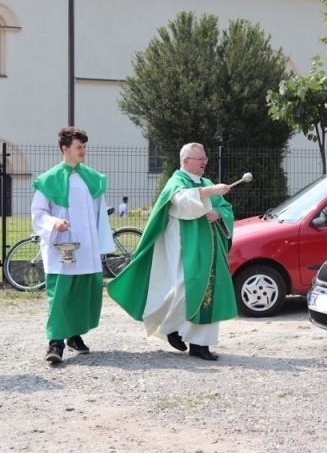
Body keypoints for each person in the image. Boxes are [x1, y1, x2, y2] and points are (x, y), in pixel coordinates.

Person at [107, 143, 236, 361]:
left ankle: (200, 344)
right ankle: (171, 329)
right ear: (186, 161)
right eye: (200, 158)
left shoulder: (206, 182)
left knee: (207, 293)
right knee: (185, 289)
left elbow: (226, 208)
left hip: (210, 249)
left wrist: (219, 214)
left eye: (205, 158)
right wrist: (211, 192)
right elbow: (184, 202)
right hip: (184, 249)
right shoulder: (177, 181)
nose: (205, 162)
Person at [32, 127, 115, 364]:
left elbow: (100, 215)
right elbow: (38, 214)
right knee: (59, 294)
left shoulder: (93, 179)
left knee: (82, 293)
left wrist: (101, 243)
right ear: (64, 148)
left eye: (84, 147)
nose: (83, 151)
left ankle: (74, 336)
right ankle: (55, 342)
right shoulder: (48, 180)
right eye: (79, 147)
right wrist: (54, 222)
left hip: (87, 248)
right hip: (61, 247)